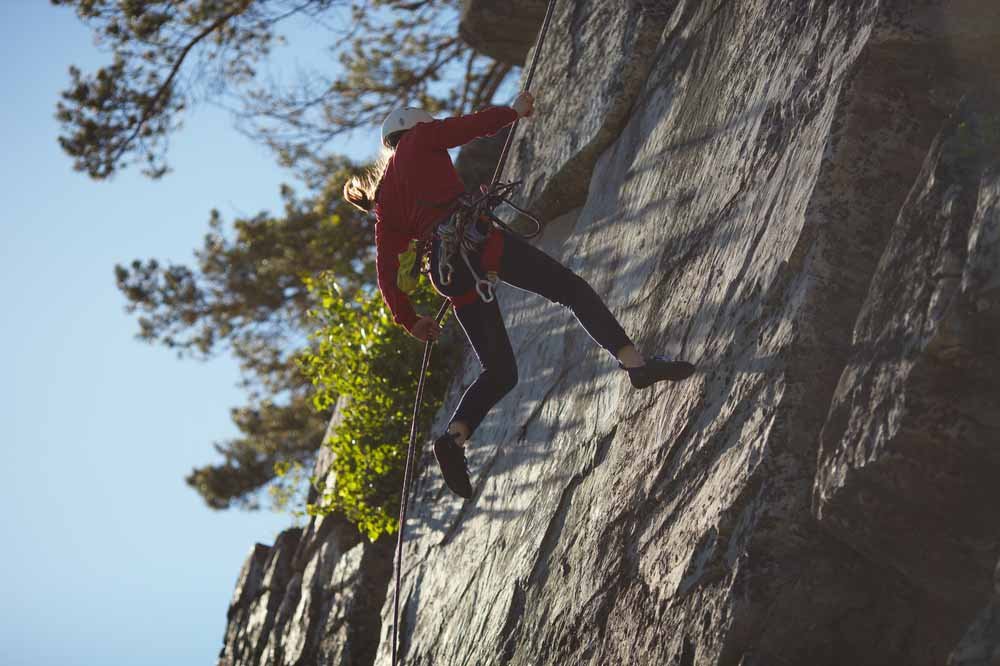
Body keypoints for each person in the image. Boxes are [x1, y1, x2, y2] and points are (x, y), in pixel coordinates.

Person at [343, 92, 695, 499]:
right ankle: (636, 364)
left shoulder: (384, 202)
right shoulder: (423, 139)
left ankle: (453, 438)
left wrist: (410, 319)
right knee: (572, 291)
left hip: (449, 271)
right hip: (477, 243)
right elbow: (468, 127)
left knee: (500, 371)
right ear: (416, 125)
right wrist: (513, 112)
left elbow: (386, 273)